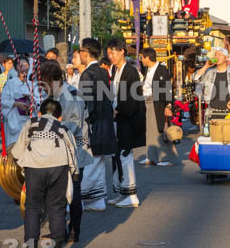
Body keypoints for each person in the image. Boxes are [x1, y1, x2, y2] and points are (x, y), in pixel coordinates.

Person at [10, 98, 78, 248]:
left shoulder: (30, 123)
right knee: (57, 207)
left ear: (39, 113)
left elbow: (17, 152)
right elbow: (73, 151)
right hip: (59, 166)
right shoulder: (63, 127)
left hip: (34, 168)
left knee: (32, 208)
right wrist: (74, 174)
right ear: (60, 117)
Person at [38, 60, 87, 242]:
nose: (44, 88)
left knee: (73, 191)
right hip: (56, 150)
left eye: (46, 84)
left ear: (56, 80)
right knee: (55, 191)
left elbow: (74, 124)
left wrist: (52, 126)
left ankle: (75, 228)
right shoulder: (51, 96)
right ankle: (59, 229)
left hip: (76, 149)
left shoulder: (73, 95)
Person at [76, 37, 116, 212]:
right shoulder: (102, 72)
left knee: (89, 163)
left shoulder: (87, 74)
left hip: (93, 124)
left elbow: (85, 104)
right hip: (106, 121)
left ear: (86, 52)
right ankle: (98, 200)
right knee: (98, 163)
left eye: (81, 51)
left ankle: (82, 198)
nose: (79, 54)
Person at [108, 37, 144, 207]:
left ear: (122, 51)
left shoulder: (130, 71)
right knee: (117, 156)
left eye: (114, 52)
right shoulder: (116, 70)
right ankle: (121, 192)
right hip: (118, 117)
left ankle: (132, 195)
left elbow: (132, 97)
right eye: (109, 53)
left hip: (127, 118)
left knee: (125, 155)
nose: (111, 56)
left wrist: (118, 109)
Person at [138, 48, 179, 166]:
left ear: (147, 58)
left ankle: (165, 158)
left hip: (158, 103)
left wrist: (168, 104)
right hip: (147, 101)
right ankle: (150, 157)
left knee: (160, 129)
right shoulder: (149, 70)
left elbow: (167, 87)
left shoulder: (161, 69)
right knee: (149, 131)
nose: (141, 60)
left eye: (142, 57)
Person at [196, 47, 230, 116]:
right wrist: (206, 66)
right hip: (212, 112)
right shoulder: (210, 73)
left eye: (220, 55)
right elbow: (196, 78)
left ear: (226, 58)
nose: (217, 57)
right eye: (216, 55)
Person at [1, 57, 37, 144]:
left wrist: (34, 105)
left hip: (29, 119)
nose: (23, 68)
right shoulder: (10, 83)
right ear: (16, 67)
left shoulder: (32, 84)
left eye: (26, 65)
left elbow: (39, 101)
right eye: (20, 65)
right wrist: (15, 103)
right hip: (15, 119)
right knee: (15, 146)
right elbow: (4, 100)